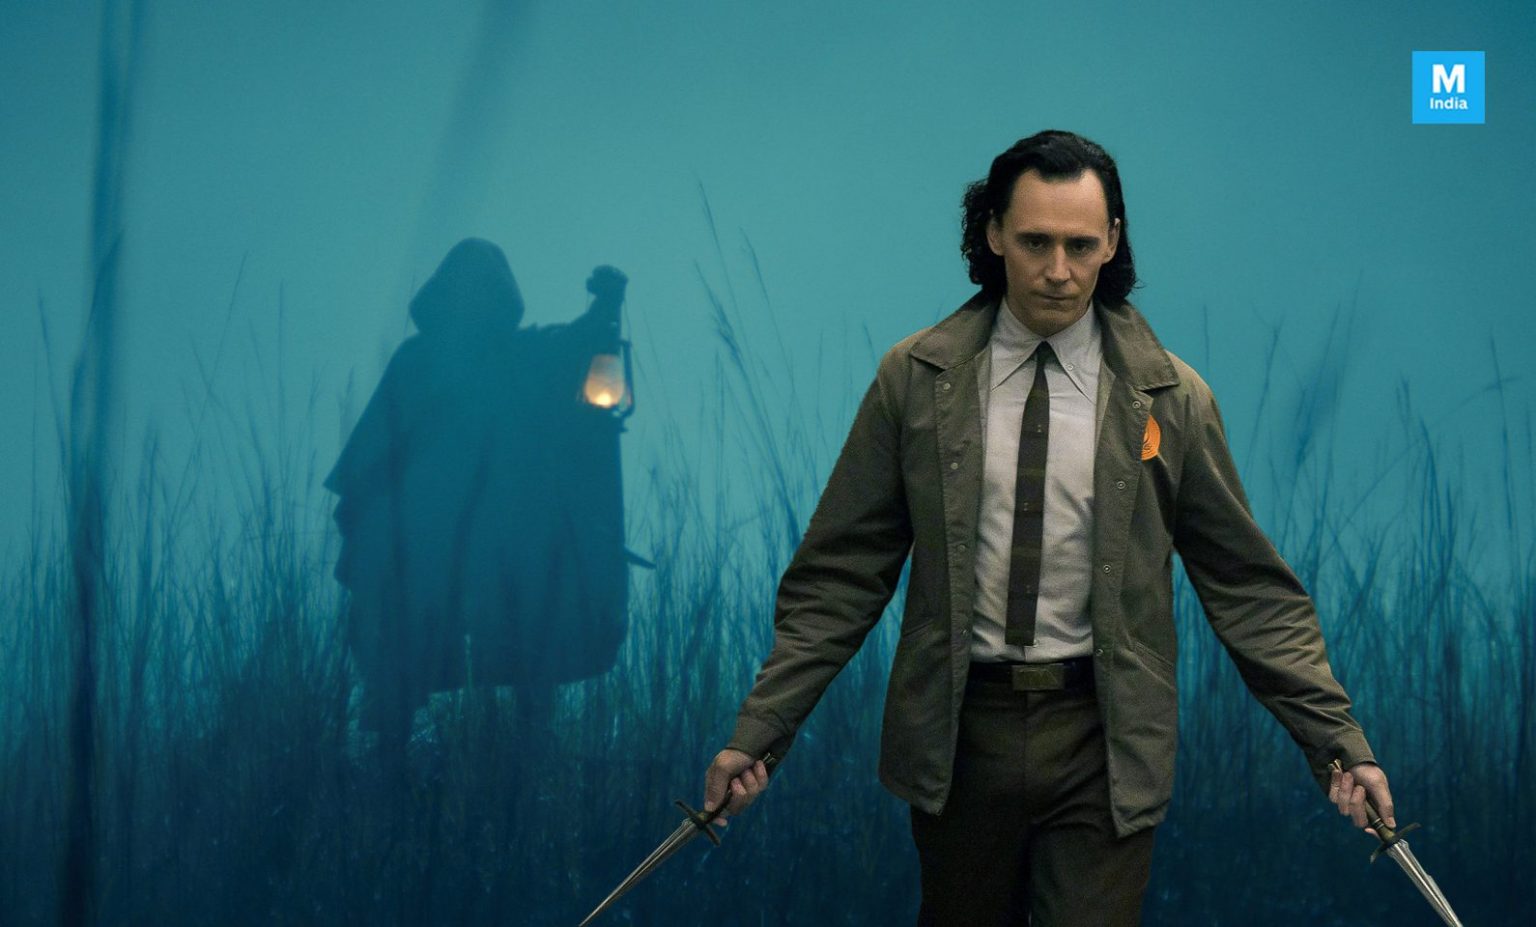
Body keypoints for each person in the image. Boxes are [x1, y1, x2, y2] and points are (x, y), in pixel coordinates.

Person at [701, 131, 1394, 925]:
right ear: (994, 233)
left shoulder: (1170, 399)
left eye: (1080, 244)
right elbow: (840, 577)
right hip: (960, 736)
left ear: (1112, 242)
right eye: (1035, 241)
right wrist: (761, 728)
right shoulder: (916, 380)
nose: (1058, 270)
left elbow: (1250, 591)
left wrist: (1339, 744)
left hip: (1105, 738)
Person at [325, 239, 631, 769]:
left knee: (526, 636)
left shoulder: (516, 355)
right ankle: (392, 763)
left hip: (497, 541)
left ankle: (529, 761)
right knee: (406, 646)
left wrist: (603, 311)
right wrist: (370, 528)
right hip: (427, 541)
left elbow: (571, 346)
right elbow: (371, 459)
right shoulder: (419, 361)